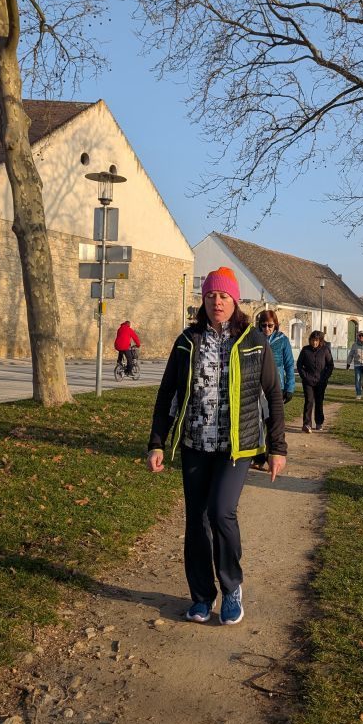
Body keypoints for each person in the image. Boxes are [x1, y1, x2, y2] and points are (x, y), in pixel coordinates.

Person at [146, 267, 287, 626]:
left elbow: (272, 392)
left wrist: (277, 448)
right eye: (210, 295)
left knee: (222, 511)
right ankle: (201, 596)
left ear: (235, 300)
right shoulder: (187, 340)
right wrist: (157, 442)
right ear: (203, 300)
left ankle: (231, 587)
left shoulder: (253, 340)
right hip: (195, 442)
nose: (216, 302)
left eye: (223, 296)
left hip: (236, 447)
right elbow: (167, 393)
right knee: (197, 520)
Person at [252, 309, 296, 470]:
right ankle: (258, 457)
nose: (267, 329)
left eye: (270, 325)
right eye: (263, 325)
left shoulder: (282, 340)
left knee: (274, 423)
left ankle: (273, 456)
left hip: (276, 386)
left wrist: (290, 387)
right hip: (256, 386)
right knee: (257, 423)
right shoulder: (254, 338)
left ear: (275, 325)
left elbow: (289, 364)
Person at [296, 330, 333, 433]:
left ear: (320, 341)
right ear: (310, 340)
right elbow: (299, 365)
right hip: (308, 381)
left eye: (316, 341)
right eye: (313, 340)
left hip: (321, 381)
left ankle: (319, 422)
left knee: (319, 401)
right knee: (309, 401)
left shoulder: (325, 350)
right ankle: (307, 424)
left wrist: (325, 377)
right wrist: (304, 376)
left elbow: (330, 365)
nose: (314, 343)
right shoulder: (305, 350)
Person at [346, 330, 363, 400]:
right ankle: (358, 394)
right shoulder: (354, 345)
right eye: (359, 335)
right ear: (357, 336)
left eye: (362, 335)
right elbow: (351, 355)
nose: (361, 337)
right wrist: (348, 363)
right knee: (357, 380)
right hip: (357, 365)